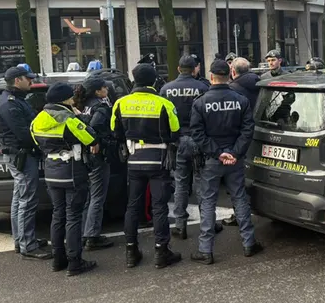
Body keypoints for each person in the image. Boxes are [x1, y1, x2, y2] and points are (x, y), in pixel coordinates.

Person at [189, 60, 261, 264]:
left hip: (212, 159)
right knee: (239, 198)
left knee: (208, 201)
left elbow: (197, 133)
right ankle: (249, 243)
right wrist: (234, 153)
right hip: (235, 158)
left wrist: (218, 153)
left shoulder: (201, 102)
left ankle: (206, 250)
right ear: (229, 75)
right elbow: (248, 130)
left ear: (211, 76)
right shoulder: (240, 100)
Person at [111, 64, 182, 269]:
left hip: (134, 160)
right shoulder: (164, 104)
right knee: (159, 207)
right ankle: (161, 252)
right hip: (159, 159)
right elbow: (175, 132)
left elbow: (115, 132)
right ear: (154, 81)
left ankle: (131, 252)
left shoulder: (121, 103)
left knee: (133, 206)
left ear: (134, 80)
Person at [31, 83, 99, 276]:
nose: (73, 99)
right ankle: (75, 262)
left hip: (51, 171)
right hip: (71, 171)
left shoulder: (38, 119)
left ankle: (57, 259)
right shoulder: (68, 118)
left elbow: (36, 141)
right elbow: (90, 138)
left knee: (58, 215)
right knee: (73, 217)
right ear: (65, 99)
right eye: (70, 97)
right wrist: (79, 117)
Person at [159, 55, 222, 240]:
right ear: (195, 69)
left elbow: (162, 119)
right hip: (199, 140)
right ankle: (208, 222)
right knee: (202, 182)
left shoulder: (166, 89)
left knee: (180, 183)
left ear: (179, 69)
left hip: (177, 141)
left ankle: (180, 225)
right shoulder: (203, 87)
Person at [0, 66, 51, 260]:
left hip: (20, 155)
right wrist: (42, 145)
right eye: (28, 79)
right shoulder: (10, 104)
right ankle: (28, 245)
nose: (31, 81)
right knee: (27, 200)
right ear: (17, 80)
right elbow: (24, 133)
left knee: (19, 198)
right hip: (22, 155)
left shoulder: (15, 100)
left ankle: (22, 240)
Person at [74, 77, 116, 251]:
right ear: (97, 91)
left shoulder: (84, 106)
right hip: (98, 156)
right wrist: (96, 141)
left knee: (90, 196)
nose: (106, 88)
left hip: (85, 156)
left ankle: (85, 232)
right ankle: (92, 235)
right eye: (104, 87)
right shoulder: (100, 107)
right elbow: (94, 125)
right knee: (98, 195)